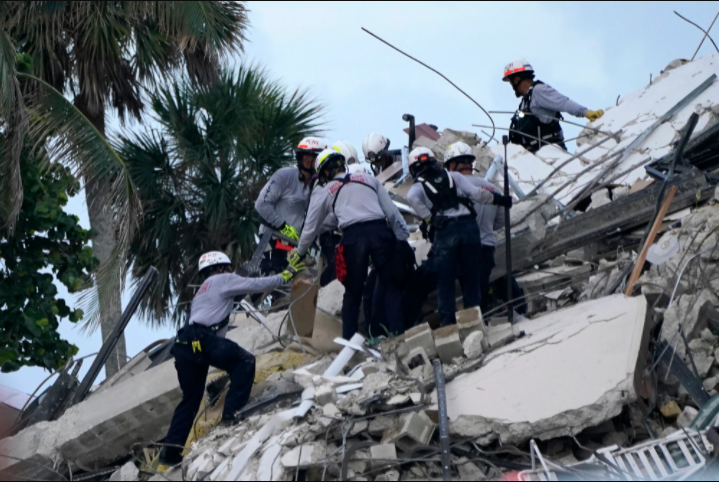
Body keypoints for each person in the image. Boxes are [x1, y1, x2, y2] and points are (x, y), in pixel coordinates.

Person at [158, 251, 305, 467]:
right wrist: (286, 274)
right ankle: (232, 414)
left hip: (183, 345)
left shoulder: (202, 292)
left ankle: (170, 452)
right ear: (221, 268)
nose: (231, 272)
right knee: (244, 361)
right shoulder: (223, 279)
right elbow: (257, 285)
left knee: (190, 399)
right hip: (202, 338)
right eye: (228, 268)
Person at [293, 148, 410, 340]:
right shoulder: (370, 180)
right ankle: (399, 335)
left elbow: (310, 228)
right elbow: (392, 213)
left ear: (325, 172)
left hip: (353, 237)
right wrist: (401, 240)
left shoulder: (327, 190)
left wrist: (300, 253)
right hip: (380, 231)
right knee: (391, 285)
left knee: (353, 293)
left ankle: (349, 344)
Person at [406, 147, 512, 326]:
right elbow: (478, 194)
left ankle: (449, 331)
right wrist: (501, 200)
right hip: (469, 229)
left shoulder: (418, 186)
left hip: (446, 232)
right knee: (471, 281)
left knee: (445, 284)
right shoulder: (453, 177)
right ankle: (475, 326)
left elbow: (411, 198)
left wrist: (430, 217)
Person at [443, 142, 505, 313]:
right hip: (487, 249)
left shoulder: (454, 188)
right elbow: (499, 222)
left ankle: (474, 331)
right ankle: (483, 324)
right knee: (480, 293)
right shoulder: (493, 189)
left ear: (452, 164)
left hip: (464, 250)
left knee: (468, 294)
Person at [255, 137, 327, 275]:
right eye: (305, 155)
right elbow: (261, 203)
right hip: (274, 241)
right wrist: (282, 226)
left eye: (312, 157)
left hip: (297, 248)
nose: (307, 160)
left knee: (296, 291)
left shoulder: (317, 186)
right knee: (268, 283)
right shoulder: (285, 175)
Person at [503, 58, 604, 152]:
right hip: (535, 156)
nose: (512, 87)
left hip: (551, 153)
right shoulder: (525, 102)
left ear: (516, 79)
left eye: (511, 82)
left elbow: (563, 102)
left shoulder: (538, 91)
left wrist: (585, 112)